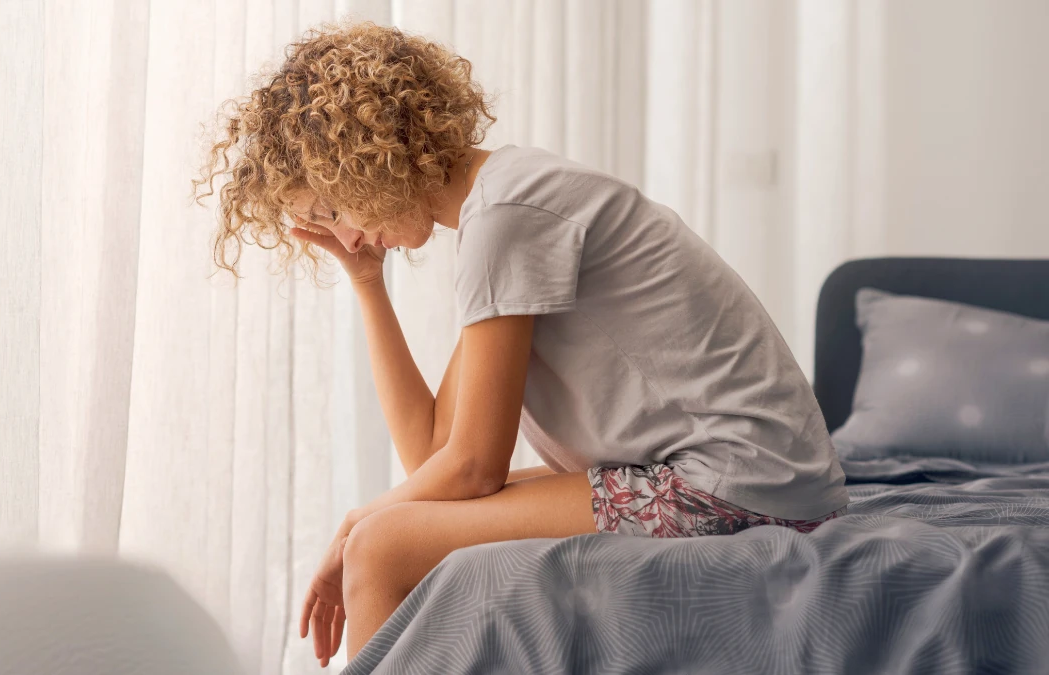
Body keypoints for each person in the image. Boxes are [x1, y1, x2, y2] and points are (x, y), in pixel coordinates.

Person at [193, 20, 848, 668]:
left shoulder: (506, 218)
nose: (349, 235)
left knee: (378, 547)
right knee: (389, 529)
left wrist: (353, 525)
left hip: (741, 481)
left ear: (368, 160)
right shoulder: (502, 202)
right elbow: (435, 457)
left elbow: (473, 467)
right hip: (751, 474)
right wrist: (367, 284)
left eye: (335, 210)